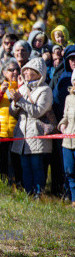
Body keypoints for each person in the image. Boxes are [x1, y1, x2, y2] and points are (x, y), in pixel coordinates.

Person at [10, 57, 53, 198]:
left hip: (37, 133)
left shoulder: (45, 90)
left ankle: (39, 194)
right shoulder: (22, 88)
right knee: (25, 166)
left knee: (37, 166)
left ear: (38, 73)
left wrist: (20, 101)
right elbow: (12, 112)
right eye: (25, 70)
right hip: (23, 136)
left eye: (29, 70)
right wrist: (15, 103)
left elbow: (38, 111)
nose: (26, 72)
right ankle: (29, 193)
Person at [0, 59, 22, 186]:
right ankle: (4, 186)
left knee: (16, 161)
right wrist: (1, 92)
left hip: (17, 130)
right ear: (3, 72)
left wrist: (20, 87)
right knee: (1, 161)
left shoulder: (21, 86)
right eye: (11, 70)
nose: (14, 72)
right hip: (0, 131)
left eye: (16, 69)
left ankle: (19, 186)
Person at [58, 70, 75, 207]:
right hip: (68, 141)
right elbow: (65, 117)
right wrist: (62, 125)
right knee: (69, 172)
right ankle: (73, 199)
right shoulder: (69, 98)